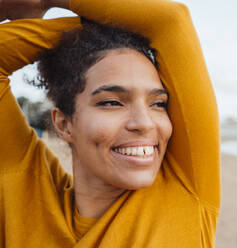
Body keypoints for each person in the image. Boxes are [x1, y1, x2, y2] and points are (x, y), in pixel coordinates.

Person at [0, 0, 220, 247]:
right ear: (64, 124)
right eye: (112, 103)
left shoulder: (187, 190)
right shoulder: (24, 190)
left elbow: (171, 21)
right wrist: (81, 35)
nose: (144, 123)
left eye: (158, 103)